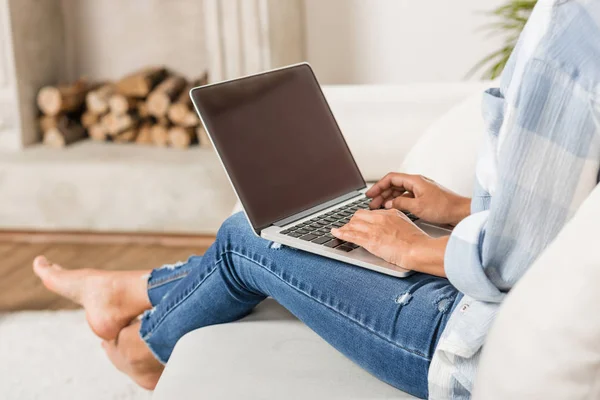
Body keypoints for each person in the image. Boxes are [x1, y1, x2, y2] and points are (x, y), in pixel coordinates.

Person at [33, 1, 600, 398]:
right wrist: (458, 210)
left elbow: (508, 263)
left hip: (468, 340)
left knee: (251, 235)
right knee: (292, 225)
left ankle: (144, 348)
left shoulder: (574, 36)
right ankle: (125, 289)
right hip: (481, 302)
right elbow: (567, 228)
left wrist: (416, 251)